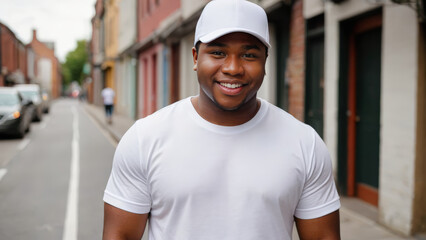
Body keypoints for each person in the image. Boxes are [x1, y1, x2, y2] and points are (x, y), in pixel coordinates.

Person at [103, 0, 341, 239]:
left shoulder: (304, 143)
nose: (233, 68)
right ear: (196, 58)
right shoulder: (145, 138)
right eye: (218, 52)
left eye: (249, 55)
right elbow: (119, 235)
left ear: (265, 62)